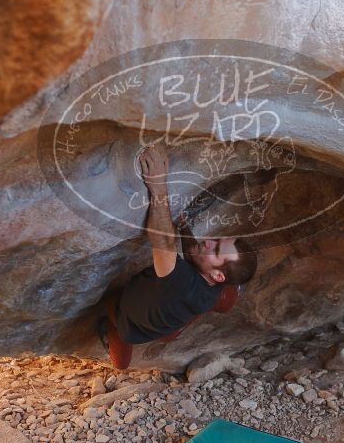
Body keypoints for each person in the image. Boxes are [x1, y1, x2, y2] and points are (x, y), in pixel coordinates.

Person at [96, 143, 258, 369]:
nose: (209, 242)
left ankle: (114, 339)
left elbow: (162, 239)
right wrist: (183, 227)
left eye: (216, 250)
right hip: (169, 324)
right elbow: (194, 254)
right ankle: (226, 291)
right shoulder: (209, 281)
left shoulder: (179, 280)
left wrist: (158, 185)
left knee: (119, 351)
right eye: (219, 241)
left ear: (217, 276)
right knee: (227, 294)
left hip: (129, 324)